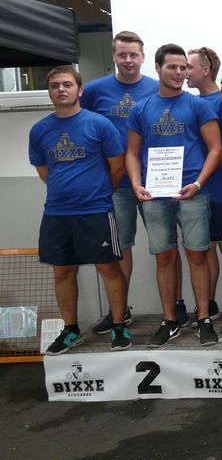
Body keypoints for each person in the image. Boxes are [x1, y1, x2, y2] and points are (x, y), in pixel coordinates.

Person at [126, 44, 222, 347]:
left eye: (183, 68)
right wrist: (136, 184)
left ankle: (204, 318)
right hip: (155, 196)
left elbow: (216, 148)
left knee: (197, 256)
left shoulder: (198, 106)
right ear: (157, 68)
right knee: (165, 258)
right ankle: (169, 321)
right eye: (172, 67)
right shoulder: (141, 109)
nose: (179, 73)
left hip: (191, 194)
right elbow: (131, 152)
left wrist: (198, 184)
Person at [30, 66, 130, 353]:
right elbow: (44, 171)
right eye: (55, 86)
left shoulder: (100, 125)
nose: (61, 89)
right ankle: (71, 330)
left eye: (67, 84)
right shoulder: (40, 130)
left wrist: (98, 193)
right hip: (56, 213)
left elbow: (117, 167)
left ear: (79, 90)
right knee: (62, 272)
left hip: (96, 211)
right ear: (50, 92)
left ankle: (119, 325)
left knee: (108, 267)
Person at [80, 31, 157, 333]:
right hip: (114, 185)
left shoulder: (157, 88)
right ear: (113, 55)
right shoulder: (94, 90)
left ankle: (174, 307)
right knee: (120, 248)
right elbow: (80, 127)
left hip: (154, 182)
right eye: (122, 54)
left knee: (165, 247)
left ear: (142, 57)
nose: (128, 60)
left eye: (133, 55)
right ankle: (119, 312)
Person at [186, 47, 222, 332]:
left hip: (221, 187)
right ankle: (207, 306)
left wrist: (201, 168)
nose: (184, 73)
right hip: (195, 191)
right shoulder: (187, 103)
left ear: (205, 69)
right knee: (204, 247)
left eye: (189, 67)